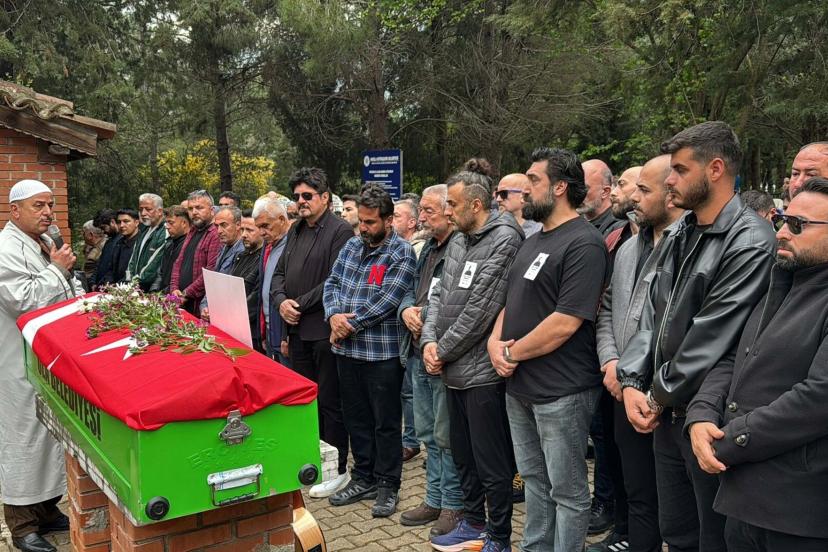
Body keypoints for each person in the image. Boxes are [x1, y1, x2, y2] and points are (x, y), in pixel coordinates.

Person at [617, 121, 776, 552]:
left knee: (713, 538)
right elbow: (654, 314)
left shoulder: (750, 240)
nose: (669, 179)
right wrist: (631, 380)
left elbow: (713, 335)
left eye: (680, 169)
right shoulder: (682, 231)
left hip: (710, 415)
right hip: (668, 413)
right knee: (677, 532)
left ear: (716, 169)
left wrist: (654, 394)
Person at [686, 177, 828, 552]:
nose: (781, 232)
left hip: (800, 514)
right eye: (782, 219)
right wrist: (701, 415)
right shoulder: (781, 280)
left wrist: (731, 440)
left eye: (798, 225)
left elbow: (817, 399)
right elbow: (735, 356)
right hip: (742, 500)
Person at [485, 147, 607, 552]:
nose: (525, 189)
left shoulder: (585, 243)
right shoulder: (533, 239)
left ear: (559, 187)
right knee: (535, 482)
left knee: (567, 491)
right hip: (520, 386)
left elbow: (565, 323)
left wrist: (510, 353)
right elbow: (511, 301)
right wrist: (494, 343)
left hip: (562, 391)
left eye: (533, 181)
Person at [422, 168, 523, 552]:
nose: (447, 211)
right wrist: (429, 342)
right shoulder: (459, 239)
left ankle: (499, 536)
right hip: (452, 371)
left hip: (482, 374)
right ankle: (474, 523)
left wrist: (441, 350)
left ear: (476, 204)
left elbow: (482, 310)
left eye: (452, 203)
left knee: (491, 463)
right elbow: (437, 295)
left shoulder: (505, 239)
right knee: (463, 456)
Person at [592, 154, 683, 552]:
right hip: (620, 388)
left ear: (671, 193)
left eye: (644, 190)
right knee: (637, 489)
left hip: (664, 394)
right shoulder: (629, 248)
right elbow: (609, 309)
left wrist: (642, 382)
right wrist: (612, 363)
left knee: (674, 505)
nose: (633, 198)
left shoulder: (688, 247)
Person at [323, 185, 416, 518]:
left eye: (371, 222)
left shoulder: (402, 252)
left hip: (381, 356)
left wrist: (348, 325)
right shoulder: (351, 245)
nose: (363, 227)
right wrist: (333, 316)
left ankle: (388, 484)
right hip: (347, 352)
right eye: (361, 221)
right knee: (356, 419)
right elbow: (332, 284)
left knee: (385, 423)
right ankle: (363, 477)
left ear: (389, 220)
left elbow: (389, 300)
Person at [0, 180, 82, 552]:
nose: (48, 212)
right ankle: (21, 525)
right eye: (38, 205)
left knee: (50, 434)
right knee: (23, 437)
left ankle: (47, 510)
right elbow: (23, 301)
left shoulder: (45, 242)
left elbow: (65, 288)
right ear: (15, 210)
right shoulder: (6, 248)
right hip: (17, 360)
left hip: (48, 357)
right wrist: (57, 270)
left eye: (50, 205)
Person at [272, 168, 355, 499]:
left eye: (307, 195)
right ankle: (314, 461)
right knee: (308, 403)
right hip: (296, 330)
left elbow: (335, 279)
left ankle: (338, 469)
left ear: (325, 197)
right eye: (297, 196)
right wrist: (280, 301)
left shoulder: (340, 230)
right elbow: (278, 273)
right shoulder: (295, 229)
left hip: (323, 329)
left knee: (331, 401)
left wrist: (297, 304)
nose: (301, 201)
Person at [397, 184, 464, 535]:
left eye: (428, 210)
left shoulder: (461, 246)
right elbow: (409, 287)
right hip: (416, 351)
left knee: (446, 436)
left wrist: (424, 319)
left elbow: (456, 301)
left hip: (441, 353)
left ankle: (453, 504)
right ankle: (433, 499)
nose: (421, 217)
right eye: (420, 210)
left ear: (449, 211)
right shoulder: (427, 248)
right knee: (427, 433)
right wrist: (406, 309)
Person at [588, 165, 642, 537]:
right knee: (608, 441)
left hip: (641, 377)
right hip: (609, 365)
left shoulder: (668, 244)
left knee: (639, 473)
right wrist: (609, 359)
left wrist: (626, 367)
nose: (619, 190)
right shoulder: (619, 240)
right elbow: (606, 305)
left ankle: (626, 528)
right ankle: (616, 517)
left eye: (624, 184)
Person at [394, 197, 425, 462]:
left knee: (414, 391)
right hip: (402, 330)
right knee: (406, 391)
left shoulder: (420, 249)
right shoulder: (395, 248)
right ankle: (410, 439)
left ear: (412, 222)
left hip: (418, 332)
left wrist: (413, 313)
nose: (391, 221)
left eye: (397, 216)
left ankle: (415, 441)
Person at [170, 190, 221, 316]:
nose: (194, 212)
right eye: (190, 208)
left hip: (199, 306)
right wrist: (174, 289)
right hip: (181, 301)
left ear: (212, 210)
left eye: (199, 208)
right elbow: (178, 262)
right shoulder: (193, 230)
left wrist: (186, 293)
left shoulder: (215, 234)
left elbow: (210, 271)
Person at [254, 197, 290, 360]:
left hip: (284, 333)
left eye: (265, 226)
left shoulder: (293, 245)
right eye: (258, 227)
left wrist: (286, 335)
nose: (261, 232)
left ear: (281, 220)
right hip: (269, 330)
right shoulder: (269, 244)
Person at [200, 206, 245, 318]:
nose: (219, 231)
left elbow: (231, 291)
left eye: (224, 225)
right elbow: (213, 284)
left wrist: (213, 309)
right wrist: (204, 306)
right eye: (217, 226)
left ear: (238, 225)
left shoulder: (243, 252)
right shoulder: (223, 248)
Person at [126, 193, 167, 291]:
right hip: (135, 287)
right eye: (141, 209)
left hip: (151, 289)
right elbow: (132, 260)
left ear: (160, 211)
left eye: (148, 209)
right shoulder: (144, 230)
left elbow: (153, 265)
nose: (143, 213)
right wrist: (128, 279)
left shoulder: (165, 231)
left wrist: (133, 284)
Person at [235, 210, 263, 350]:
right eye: (242, 229)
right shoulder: (240, 256)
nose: (244, 235)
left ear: (262, 230)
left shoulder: (264, 259)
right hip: (235, 325)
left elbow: (255, 298)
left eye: (250, 230)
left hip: (251, 331)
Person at [580, 159, 626, 237]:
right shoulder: (573, 222)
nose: (576, 193)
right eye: (574, 187)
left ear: (605, 192)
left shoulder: (620, 229)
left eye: (583, 188)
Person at [153, 206, 190, 293]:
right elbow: (160, 272)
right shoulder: (169, 244)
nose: (167, 227)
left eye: (171, 223)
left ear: (184, 223)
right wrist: (154, 291)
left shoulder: (190, 245)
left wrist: (164, 293)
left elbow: (184, 278)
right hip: (163, 294)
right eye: (166, 223)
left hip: (177, 294)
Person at [495, 173, 542, 237]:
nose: (498, 199)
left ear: (523, 195)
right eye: (497, 194)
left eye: (503, 194)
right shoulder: (494, 226)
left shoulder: (539, 231)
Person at [107, 208, 141, 284]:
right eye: (119, 222)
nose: (121, 225)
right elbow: (111, 269)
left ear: (136, 223)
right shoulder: (118, 243)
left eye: (126, 221)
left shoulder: (141, 243)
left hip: (132, 286)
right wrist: (108, 284)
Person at [91, 208, 118, 288]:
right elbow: (99, 264)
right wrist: (93, 282)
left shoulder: (121, 242)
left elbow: (113, 268)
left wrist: (101, 284)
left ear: (112, 222)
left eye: (104, 228)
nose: (103, 231)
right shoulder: (109, 242)